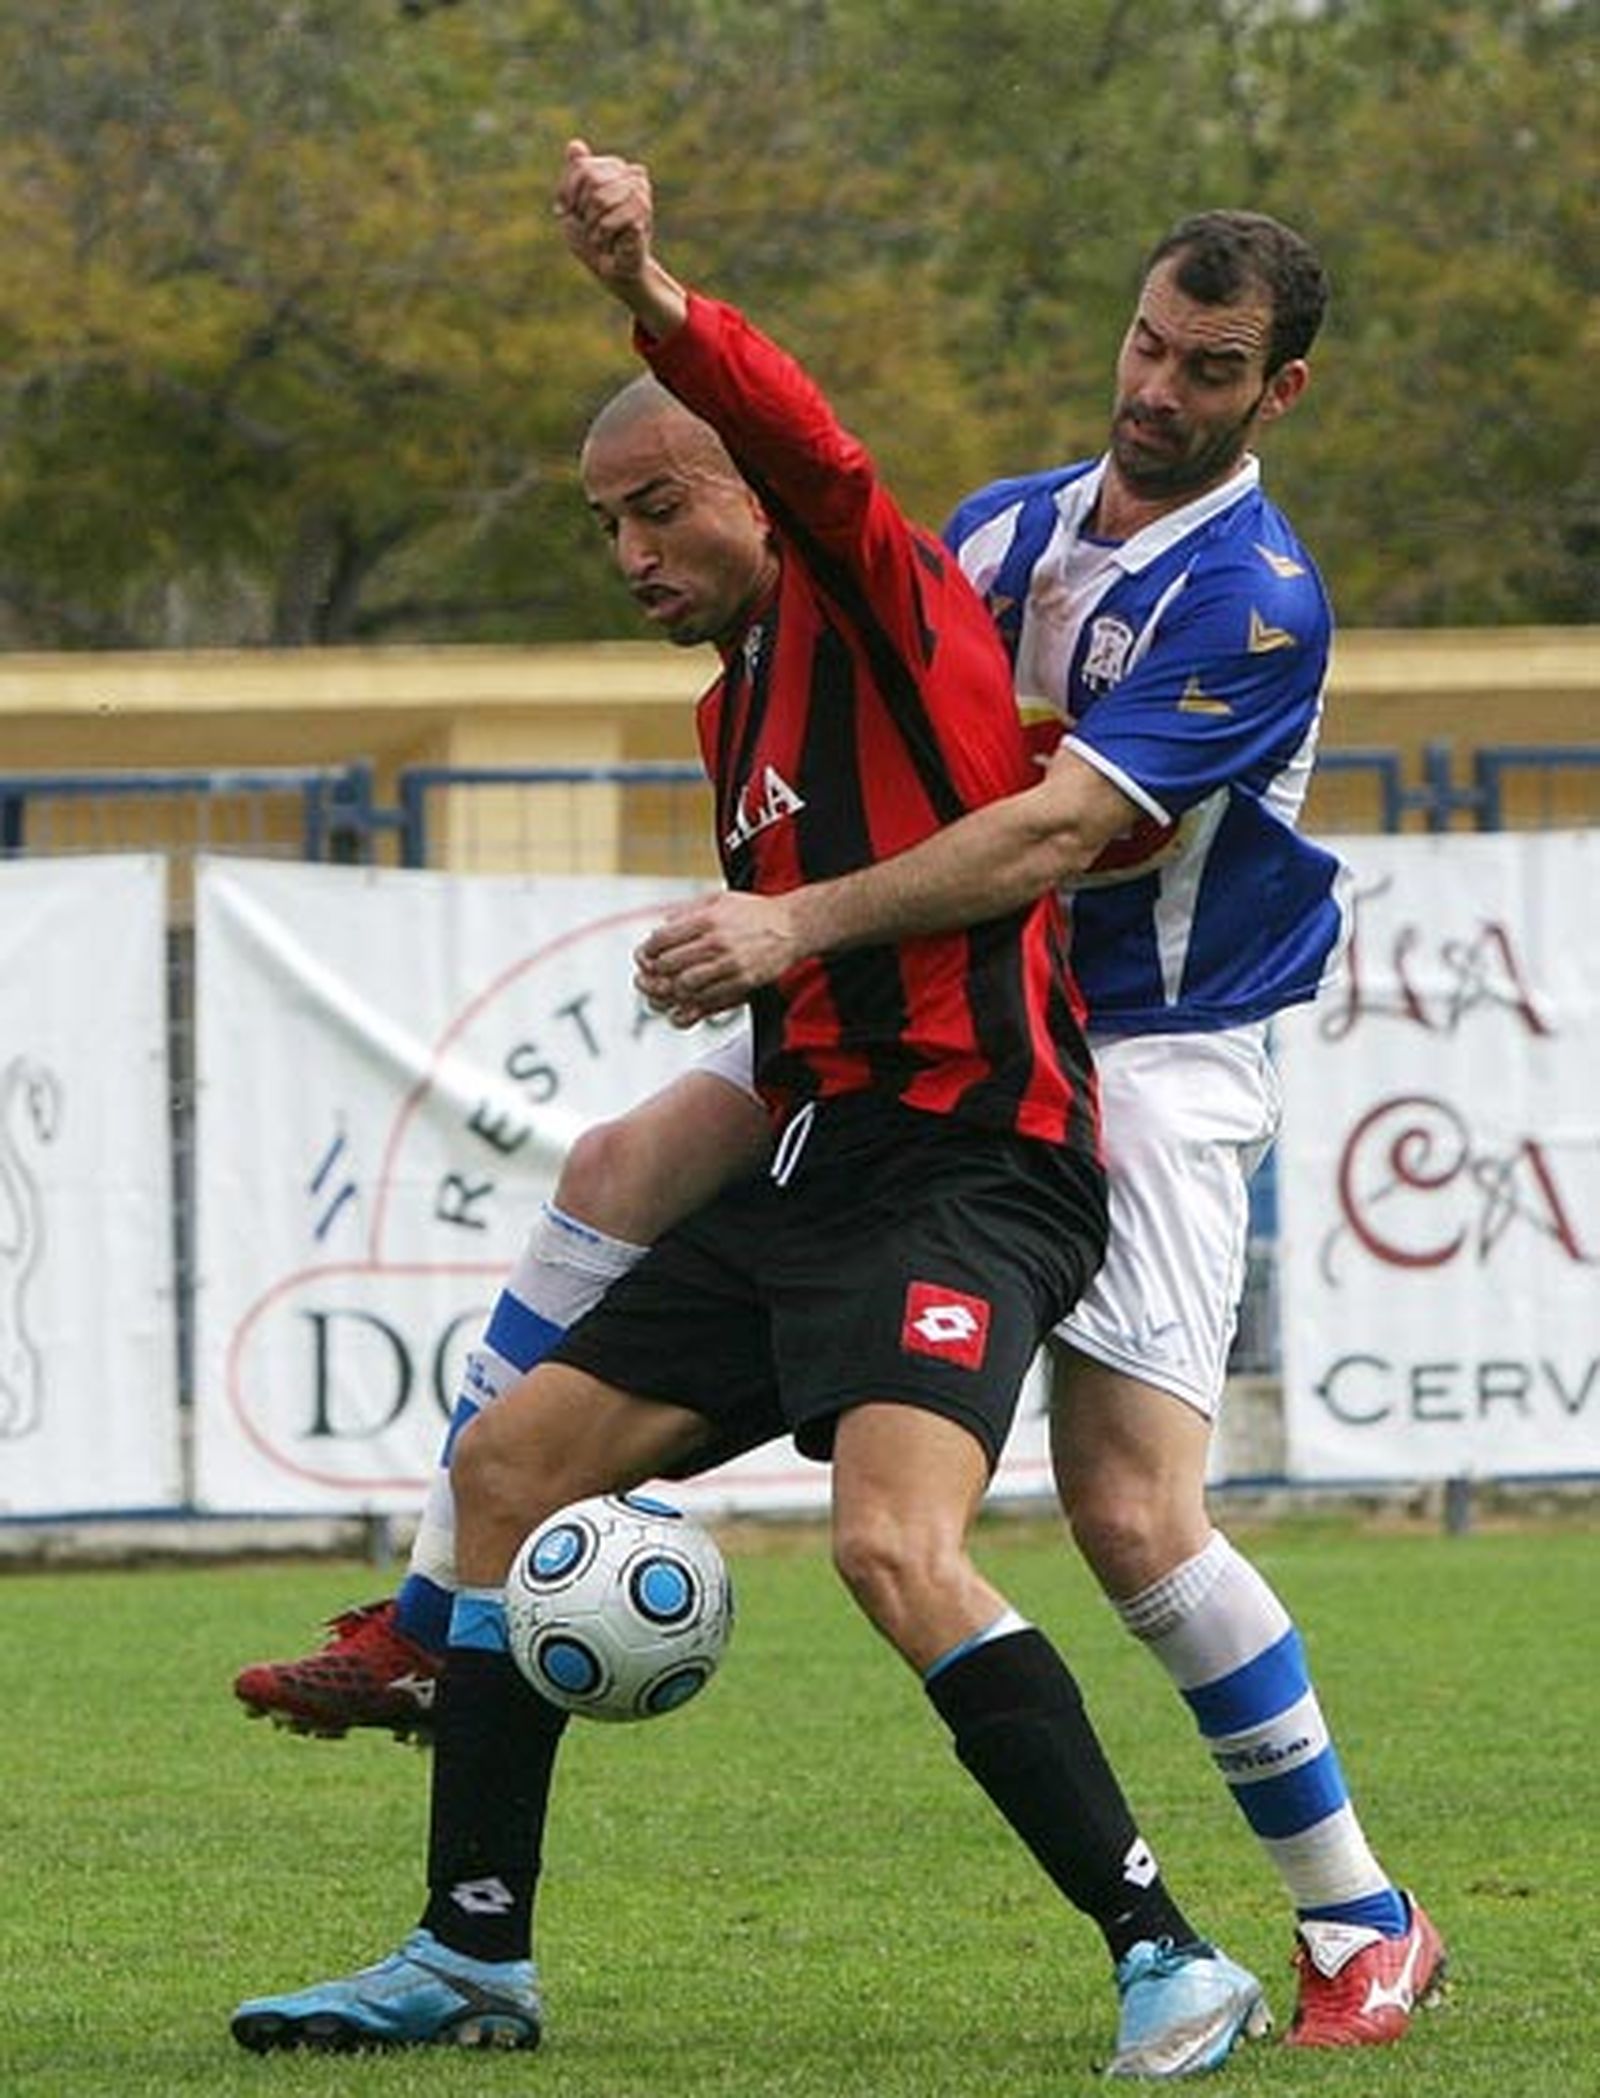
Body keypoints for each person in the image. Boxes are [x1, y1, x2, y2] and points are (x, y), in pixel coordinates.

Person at [234, 203, 1446, 2052]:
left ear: (1276, 389)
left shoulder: (1246, 596)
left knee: (1118, 1513)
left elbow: (1046, 824)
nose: (1156, 387)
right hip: (875, 1063)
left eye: (1208, 368)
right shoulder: (946, 570)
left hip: (1115, 1052)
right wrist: (781, 947)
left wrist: (650, 295)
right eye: (1145, 342)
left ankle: (1343, 1912)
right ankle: (456, 1852)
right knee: (570, 1291)